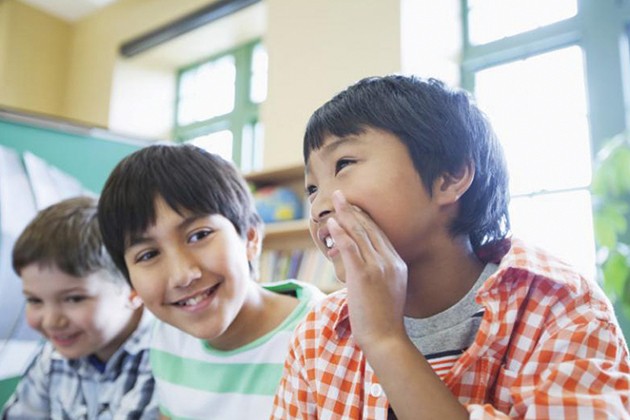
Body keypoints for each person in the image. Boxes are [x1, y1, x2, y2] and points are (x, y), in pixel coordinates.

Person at [271, 75, 630, 419]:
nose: (317, 208)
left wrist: (385, 340)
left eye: (344, 164)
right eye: (311, 188)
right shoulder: (319, 331)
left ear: (450, 177)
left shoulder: (562, 307)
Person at [97, 144, 324, 419]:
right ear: (130, 282)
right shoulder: (167, 337)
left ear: (251, 239)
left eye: (199, 235)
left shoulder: (324, 336)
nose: (183, 274)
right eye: (148, 254)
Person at [2, 196, 157, 419]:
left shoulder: (162, 360)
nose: (51, 321)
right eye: (35, 300)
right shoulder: (54, 357)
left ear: (134, 288)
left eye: (74, 299)